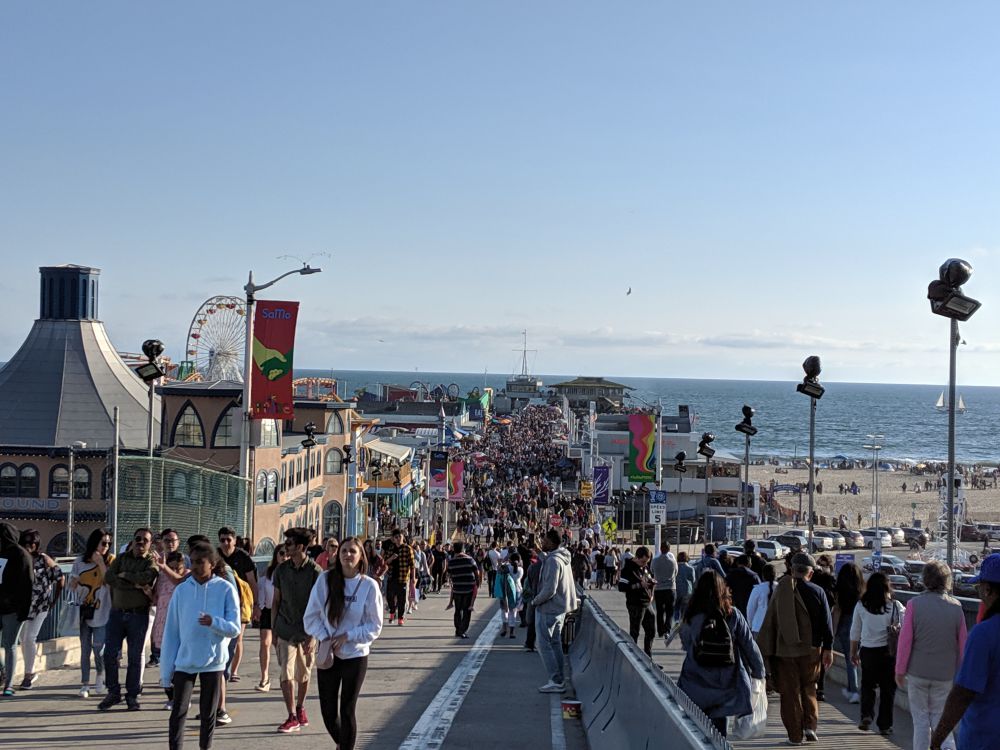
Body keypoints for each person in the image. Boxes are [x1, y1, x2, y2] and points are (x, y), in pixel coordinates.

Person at [304, 537, 384, 750]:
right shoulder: (325, 580)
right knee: (328, 712)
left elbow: (374, 626)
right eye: (344, 551)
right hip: (328, 655)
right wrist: (326, 637)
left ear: (361, 557)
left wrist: (348, 636)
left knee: (347, 709)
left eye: (353, 552)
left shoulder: (369, 586)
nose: (348, 555)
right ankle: (343, 743)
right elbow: (310, 617)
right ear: (338, 555)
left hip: (355, 656)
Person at [160, 543, 241, 750]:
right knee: (178, 711)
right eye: (192, 562)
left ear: (212, 564)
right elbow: (172, 632)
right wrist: (166, 671)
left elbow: (234, 629)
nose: (194, 567)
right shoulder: (182, 591)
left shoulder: (225, 589)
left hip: (213, 663)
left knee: (208, 713)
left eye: (200, 562)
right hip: (185, 662)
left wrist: (214, 622)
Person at [757, 552, 834, 744]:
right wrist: (828, 648)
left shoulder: (781, 590)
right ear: (810, 572)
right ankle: (810, 726)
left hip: (785, 651)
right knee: (809, 688)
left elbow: (771, 622)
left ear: (792, 569)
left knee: (790, 693)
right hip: (812, 650)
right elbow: (827, 623)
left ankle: (794, 736)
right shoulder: (818, 592)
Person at [679, 569, 765, 737]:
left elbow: (686, 642)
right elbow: (749, 645)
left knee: (696, 726)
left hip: (695, 677)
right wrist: (759, 672)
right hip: (726, 678)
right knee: (720, 725)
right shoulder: (733, 614)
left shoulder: (692, 615)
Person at [931, 553, 1000, 750]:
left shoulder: (984, 634)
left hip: (985, 738)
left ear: (988, 590)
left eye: (980, 588)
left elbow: (963, 693)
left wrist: (937, 739)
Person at [895, 560, 966, 750]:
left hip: (918, 672)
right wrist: (961, 675)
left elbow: (905, 641)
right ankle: (948, 747)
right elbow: (963, 645)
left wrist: (900, 670)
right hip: (945, 674)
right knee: (940, 717)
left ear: (925, 579)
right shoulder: (956, 607)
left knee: (920, 720)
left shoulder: (914, 605)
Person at [99, 526, 158, 711]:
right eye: (137, 539)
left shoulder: (150, 561)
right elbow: (109, 577)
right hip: (117, 613)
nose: (140, 543)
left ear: (150, 544)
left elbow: (147, 578)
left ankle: (132, 695)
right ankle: (113, 692)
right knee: (109, 654)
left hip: (138, 615)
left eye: (145, 540)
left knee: (134, 657)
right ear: (132, 541)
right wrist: (132, 583)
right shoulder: (121, 558)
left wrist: (125, 577)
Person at [272, 527, 324, 733]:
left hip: (307, 631)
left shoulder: (316, 572)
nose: (286, 547)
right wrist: (275, 628)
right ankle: (291, 715)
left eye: (290, 544)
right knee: (286, 672)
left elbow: (321, 605)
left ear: (301, 547)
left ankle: (301, 707)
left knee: (304, 674)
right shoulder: (281, 571)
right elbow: (276, 601)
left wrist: (313, 635)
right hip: (285, 628)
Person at [850, 571, 905, 735]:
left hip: (867, 651)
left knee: (868, 685)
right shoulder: (895, 606)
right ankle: (885, 725)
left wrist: (854, 652)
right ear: (887, 587)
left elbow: (855, 631)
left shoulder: (861, 605)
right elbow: (905, 626)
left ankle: (866, 715)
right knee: (888, 690)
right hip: (889, 652)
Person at [532, 529, 578, 693]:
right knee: (555, 643)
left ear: (551, 542)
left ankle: (556, 680)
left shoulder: (553, 561)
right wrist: (540, 554)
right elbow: (552, 561)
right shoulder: (562, 557)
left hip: (549, 608)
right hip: (561, 608)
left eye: (544, 540)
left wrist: (535, 601)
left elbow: (549, 589)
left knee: (543, 644)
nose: (542, 542)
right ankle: (559, 678)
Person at [17, 528, 64, 690]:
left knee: (29, 638)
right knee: (23, 639)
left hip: (40, 605)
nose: (30, 546)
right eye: (27, 543)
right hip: (22, 605)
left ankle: (29, 675)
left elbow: (60, 576)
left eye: (33, 543)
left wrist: (54, 600)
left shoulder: (43, 559)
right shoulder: (20, 558)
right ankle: (28, 670)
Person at [69, 528, 113, 698]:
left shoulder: (111, 560)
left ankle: (100, 676)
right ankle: (85, 683)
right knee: (85, 648)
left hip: (103, 611)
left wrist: (101, 563)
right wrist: (74, 583)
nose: (106, 546)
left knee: (99, 648)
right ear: (94, 542)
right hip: (83, 609)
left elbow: (110, 584)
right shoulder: (80, 561)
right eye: (103, 543)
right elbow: (72, 584)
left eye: (108, 543)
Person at [218, 527, 257, 683]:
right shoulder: (216, 556)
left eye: (229, 540)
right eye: (222, 540)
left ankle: (232, 670)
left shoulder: (243, 557)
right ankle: (221, 670)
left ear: (234, 540)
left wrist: (256, 606)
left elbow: (252, 582)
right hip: (220, 603)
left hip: (241, 603)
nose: (226, 543)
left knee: (237, 637)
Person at [0, 522, 33, 696]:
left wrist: (24, 611)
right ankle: (4, 674)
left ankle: (9, 685)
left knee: (10, 644)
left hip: (13, 608)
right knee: (6, 645)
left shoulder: (21, 555)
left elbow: (28, 585)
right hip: (1, 605)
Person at [150, 551, 186, 706]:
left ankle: (180, 697)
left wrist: (165, 567)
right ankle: (171, 697)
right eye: (171, 567)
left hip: (181, 626)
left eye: (177, 567)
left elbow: (178, 581)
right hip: (163, 625)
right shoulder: (162, 578)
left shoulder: (188, 577)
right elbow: (155, 599)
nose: (174, 570)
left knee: (179, 664)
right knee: (166, 664)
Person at [254, 545, 286, 692]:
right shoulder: (268, 573)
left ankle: (285, 675)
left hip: (285, 611)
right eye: (281, 553)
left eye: (287, 554)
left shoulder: (291, 573)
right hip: (267, 610)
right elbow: (261, 587)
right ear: (276, 555)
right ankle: (264, 677)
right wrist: (259, 607)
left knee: (280, 645)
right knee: (265, 642)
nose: (284, 556)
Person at [833, 562, 863, 704]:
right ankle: (855, 689)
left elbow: (837, 610)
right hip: (862, 625)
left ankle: (854, 690)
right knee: (859, 659)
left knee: (850, 660)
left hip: (846, 624)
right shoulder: (863, 591)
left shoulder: (840, 590)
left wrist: (832, 631)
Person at [619, 545, 656, 656]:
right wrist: (638, 585)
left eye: (647, 562)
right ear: (637, 558)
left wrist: (651, 584)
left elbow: (649, 578)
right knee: (635, 632)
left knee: (651, 630)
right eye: (643, 561)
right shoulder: (628, 569)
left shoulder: (645, 567)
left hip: (647, 602)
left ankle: (648, 656)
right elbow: (622, 587)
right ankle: (633, 655)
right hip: (635, 603)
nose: (645, 564)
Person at [444, 541, 480, 639]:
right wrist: (477, 583)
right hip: (468, 589)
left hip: (457, 590)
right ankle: (462, 630)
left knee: (458, 610)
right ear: (463, 549)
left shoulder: (451, 561)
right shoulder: (470, 560)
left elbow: (448, 574)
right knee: (466, 611)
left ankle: (458, 629)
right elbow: (476, 572)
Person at [382, 529, 415, 626]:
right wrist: (391, 558)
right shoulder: (391, 549)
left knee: (402, 599)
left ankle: (400, 618)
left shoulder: (408, 549)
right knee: (389, 597)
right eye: (396, 537)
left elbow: (412, 565)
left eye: (400, 536)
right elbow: (385, 562)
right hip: (391, 577)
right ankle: (392, 611)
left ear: (403, 537)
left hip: (403, 578)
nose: (398, 539)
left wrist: (413, 578)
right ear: (393, 539)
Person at [650, 542, 677, 639]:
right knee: (670, 611)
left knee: (660, 611)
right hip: (670, 588)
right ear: (669, 549)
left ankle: (660, 630)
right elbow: (676, 572)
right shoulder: (673, 561)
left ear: (661, 549)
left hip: (658, 588)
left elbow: (652, 571)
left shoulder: (655, 561)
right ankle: (667, 630)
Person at [494, 552, 522, 638]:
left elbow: (499, 570)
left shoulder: (507, 567)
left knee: (503, 610)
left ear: (510, 559)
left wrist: (501, 563)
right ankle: (512, 632)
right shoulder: (520, 569)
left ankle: (504, 628)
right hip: (517, 591)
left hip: (505, 590)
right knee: (513, 611)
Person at [726, 554, 760, 619]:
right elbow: (759, 593)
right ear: (749, 564)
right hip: (750, 608)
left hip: (733, 607)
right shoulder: (754, 576)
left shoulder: (730, 575)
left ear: (737, 563)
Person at [745, 564, 776, 635]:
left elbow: (750, 610)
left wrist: (751, 624)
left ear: (763, 576)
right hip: (776, 628)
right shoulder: (780, 588)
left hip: (758, 627)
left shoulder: (757, 589)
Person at [674, 551, 696, 623]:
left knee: (676, 607)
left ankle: (676, 620)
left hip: (676, 590)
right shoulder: (690, 568)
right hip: (687, 591)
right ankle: (683, 622)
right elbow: (693, 580)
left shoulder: (675, 568)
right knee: (684, 608)